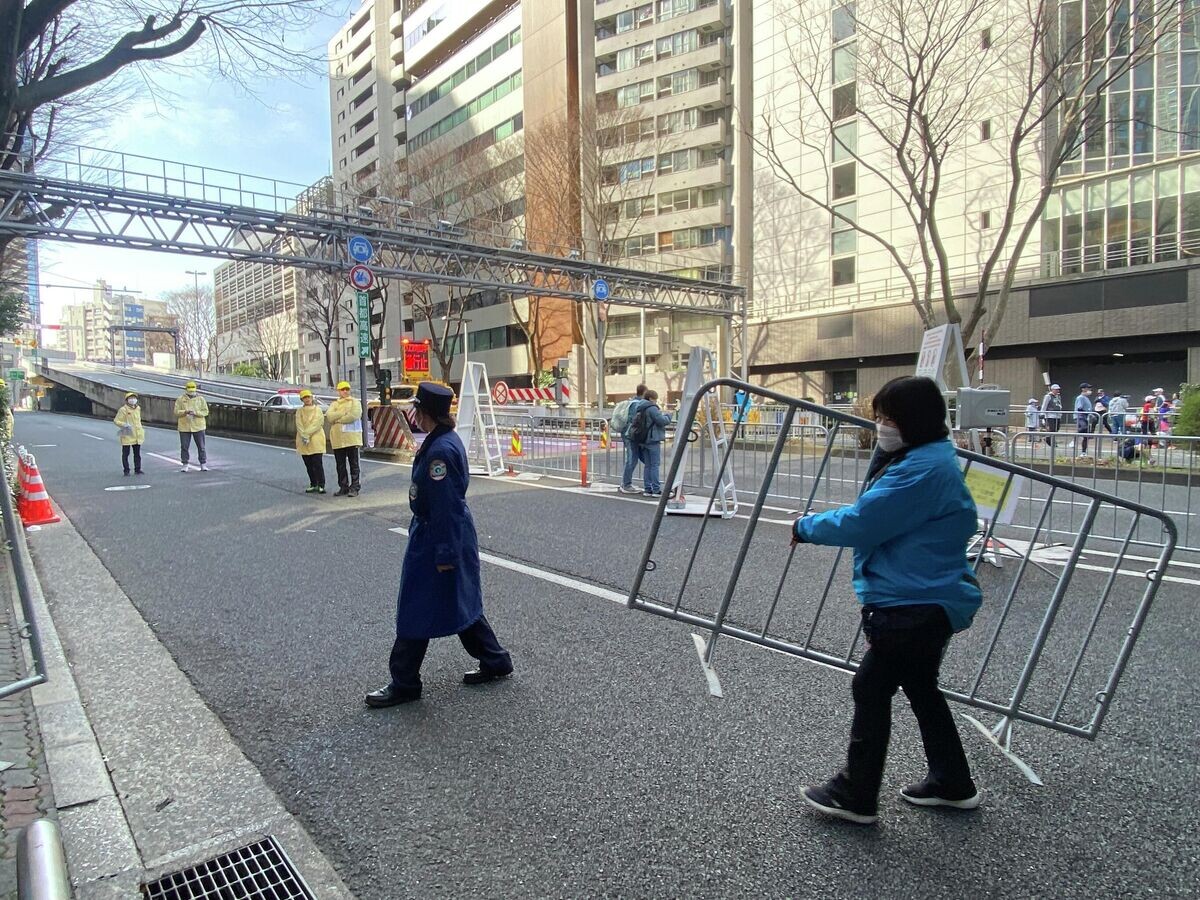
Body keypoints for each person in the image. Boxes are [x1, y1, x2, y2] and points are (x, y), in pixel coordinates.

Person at [794, 375, 982, 826]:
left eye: (887, 418)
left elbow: (865, 521)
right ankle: (952, 782)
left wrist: (806, 527)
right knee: (919, 687)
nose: (881, 426)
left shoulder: (920, 470)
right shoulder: (925, 456)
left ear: (911, 422)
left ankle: (856, 793)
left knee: (872, 686)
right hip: (926, 597)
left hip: (913, 602)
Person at [366, 382, 513, 708]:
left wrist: (444, 553)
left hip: (438, 537)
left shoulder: (440, 452)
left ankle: (404, 682)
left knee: (416, 607)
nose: (413, 414)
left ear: (425, 412)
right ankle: (495, 659)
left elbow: (444, 505)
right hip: (446, 533)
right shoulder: (444, 440)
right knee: (459, 601)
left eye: (416, 409)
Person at [632, 388, 671, 497]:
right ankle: (656, 490)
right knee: (654, 465)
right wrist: (668, 415)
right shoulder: (652, 408)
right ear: (651, 398)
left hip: (642, 440)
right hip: (652, 440)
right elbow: (662, 421)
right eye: (655, 399)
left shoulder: (639, 407)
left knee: (648, 466)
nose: (656, 401)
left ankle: (647, 489)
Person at [326, 380, 363, 497]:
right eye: (343, 389)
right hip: (337, 438)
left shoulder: (355, 402)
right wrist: (343, 413)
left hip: (351, 437)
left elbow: (354, 415)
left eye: (347, 389)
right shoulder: (334, 404)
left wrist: (338, 419)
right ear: (339, 391)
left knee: (354, 464)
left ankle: (355, 487)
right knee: (340, 465)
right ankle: (343, 486)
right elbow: (329, 416)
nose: (345, 391)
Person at [616, 384, 648, 495]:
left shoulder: (631, 402)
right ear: (644, 392)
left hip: (627, 434)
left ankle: (626, 483)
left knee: (633, 458)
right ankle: (626, 484)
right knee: (632, 459)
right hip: (632, 436)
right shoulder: (638, 405)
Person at [295, 389, 326, 494]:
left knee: (317, 463)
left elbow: (318, 423)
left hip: (316, 439)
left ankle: (321, 484)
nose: (307, 399)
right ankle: (313, 483)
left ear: (312, 398)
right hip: (303, 440)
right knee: (308, 464)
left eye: (308, 397)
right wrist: (303, 435)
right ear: (302, 399)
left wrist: (306, 434)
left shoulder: (318, 410)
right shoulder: (299, 411)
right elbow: (299, 424)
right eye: (305, 398)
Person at [174, 380, 209, 472]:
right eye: (189, 390)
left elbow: (206, 411)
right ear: (186, 390)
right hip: (184, 426)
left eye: (193, 390)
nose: (191, 392)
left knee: (201, 446)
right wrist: (184, 412)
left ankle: (203, 464)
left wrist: (196, 413)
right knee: (184, 446)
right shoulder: (180, 399)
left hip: (199, 426)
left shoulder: (201, 399)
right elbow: (176, 412)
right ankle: (185, 464)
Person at [113, 391, 145, 476]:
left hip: (137, 434)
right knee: (126, 454)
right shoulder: (123, 410)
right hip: (127, 433)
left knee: (137, 453)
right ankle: (126, 470)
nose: (133, 400)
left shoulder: (138, 408)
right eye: (130, 398)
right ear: (127, 400)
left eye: (134, 398)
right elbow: (116, 421)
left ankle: (138, 469)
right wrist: (124, 424)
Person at [1073, 382, 1094, 456]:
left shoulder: (1086, 398)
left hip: (1086, 417)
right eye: (1087, 388)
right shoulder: (1080, 397)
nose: (1089, 390)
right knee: (1083, 427)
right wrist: (1087, 413)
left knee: (1086, 435)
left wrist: (1091, 414)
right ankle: (1074, 439)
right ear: (1083, 389)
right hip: (1080, 416)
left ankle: (1083, 452)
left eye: (1089, 388)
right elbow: (1079, 408)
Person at [1040, 383, 1062, 448]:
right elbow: (1044, 405)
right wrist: (1042, 414)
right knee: (1052, 429)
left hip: (1057, 416)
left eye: (1058, 389)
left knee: (1056, 428)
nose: (1057, 391)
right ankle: (1050, 441)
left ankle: (1050, 439)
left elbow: (1059, 404)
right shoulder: (1048, 396)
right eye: (1056, 389)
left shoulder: (1058, 397)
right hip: (1050, 416)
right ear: (1052, 390)